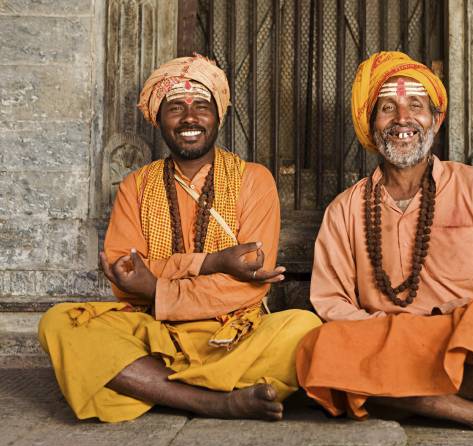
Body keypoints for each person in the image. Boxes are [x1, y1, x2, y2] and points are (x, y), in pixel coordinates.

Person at [295, 51, 473, 438]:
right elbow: (331, 303)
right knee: (318, 347)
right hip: (389, 343)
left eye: (416, 106)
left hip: (469, 343)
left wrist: (464, 325)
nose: (402, 119)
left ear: (436, 120)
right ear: (370, 123)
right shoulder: (344, 210)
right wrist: (396, 335)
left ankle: (403, 397)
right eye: (386, 108)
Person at [38, 54, 321, 423]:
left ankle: (153, 387)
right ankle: (214, 400)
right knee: (58, 323)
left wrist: (158, 286)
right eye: (175, 108)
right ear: (159, 120)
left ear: (218, 116)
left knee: (304, 329)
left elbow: (249, 285)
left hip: (233, 333)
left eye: (201, 106)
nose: (190, 118)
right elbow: (126, 279)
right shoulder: (135, 186)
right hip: (153, 331)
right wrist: (213, 263)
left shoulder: (254, 179)